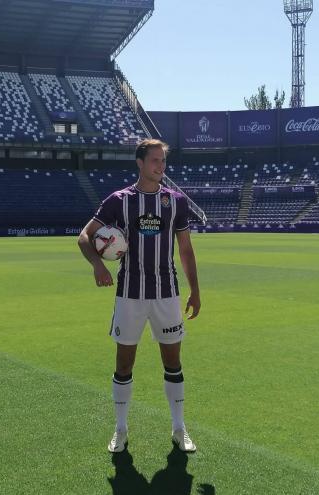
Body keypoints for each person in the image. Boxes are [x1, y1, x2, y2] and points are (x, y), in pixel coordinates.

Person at [77, 138, 201, 453]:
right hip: (130, 294)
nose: (161, 166)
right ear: (140, 163)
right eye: (155, 161)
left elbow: (185, 249)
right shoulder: (119, 200)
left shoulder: (176, 201)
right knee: (124, 363)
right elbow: (84, 237)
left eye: (163, 161)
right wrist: (97, 265)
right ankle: (120, 429)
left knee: (173, 362)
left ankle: (179, 427)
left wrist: (195, 291)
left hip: (167, 293)